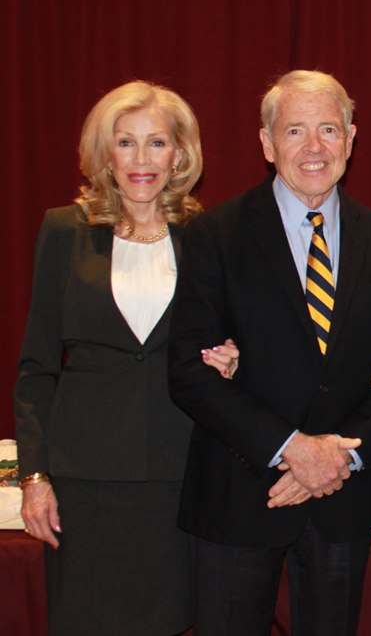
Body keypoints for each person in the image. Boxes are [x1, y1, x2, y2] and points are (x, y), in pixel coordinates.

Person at [168, 69, 371, 635]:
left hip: (342, 497)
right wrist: (291, 450)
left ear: (352, 139)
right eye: (295, 131)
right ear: (266, 142)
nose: (314, 148)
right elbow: (189, 373)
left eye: (328, 129)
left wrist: (337, 459)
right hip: (238, 495)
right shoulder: (215, 235)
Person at [13, 81, 216, 634]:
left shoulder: (206, 237)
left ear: (180, 155)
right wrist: (34, 476)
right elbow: (36, 366)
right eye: (126, 143)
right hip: (84, 481)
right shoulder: (63, 230)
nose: (141, 160)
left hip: (178, 475)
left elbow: (227, 350)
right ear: (105, 153)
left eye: (156, 143)